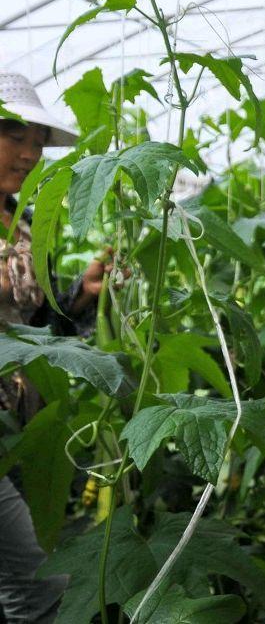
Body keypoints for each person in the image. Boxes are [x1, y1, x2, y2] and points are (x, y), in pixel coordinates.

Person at [0, 72, 109, 624]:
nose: (29, 152)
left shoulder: (20, 222)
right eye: (14, 135)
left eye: (38, 141)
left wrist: (81, 296)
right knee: (38, 583)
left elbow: (36, 331)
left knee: (20, 575)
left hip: (22, 427)